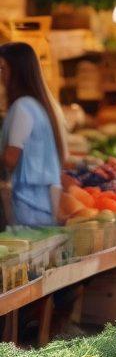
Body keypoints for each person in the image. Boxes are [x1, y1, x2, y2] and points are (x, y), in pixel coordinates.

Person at [0, 42, 65, 226]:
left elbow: (11, 157)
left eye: (3, 68)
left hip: (28, 203)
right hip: (40, 202)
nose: (1, 75)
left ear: (17, 71)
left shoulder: (22, 107)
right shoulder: (36, 106)